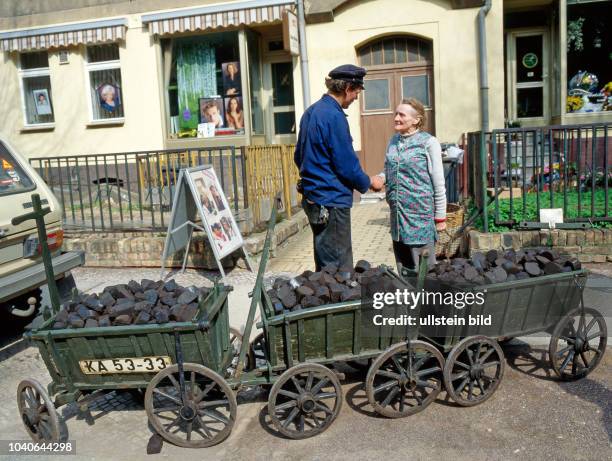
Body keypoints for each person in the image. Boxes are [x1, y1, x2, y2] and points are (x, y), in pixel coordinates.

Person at [294, 64, 379, 271]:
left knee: (325, 261)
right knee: (338, 268)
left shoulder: (311, 112)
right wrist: (368, 182)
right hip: (331, 202)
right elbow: (347, 164)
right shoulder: (334, 116)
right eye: (357, 91)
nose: (357, 97)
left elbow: (298, 156)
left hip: (314, 198)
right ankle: (337, 302)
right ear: (348, 88)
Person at [370, 98, 446, 275]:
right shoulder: (393, 141)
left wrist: (440, 217)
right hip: (398, 215)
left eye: (401, 115)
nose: (396, 118)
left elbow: (439, 181)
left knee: (424, 269)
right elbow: (389, 168)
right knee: (404, 266)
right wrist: (381, 178)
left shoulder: (429, 142)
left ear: (416, 120)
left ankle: (429, 301)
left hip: (420, 214)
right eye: (395, 114)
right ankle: (409, 299)